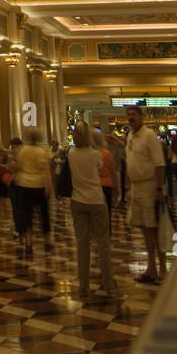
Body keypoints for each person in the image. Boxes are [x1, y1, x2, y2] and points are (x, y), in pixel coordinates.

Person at [67, 122, 118, 301]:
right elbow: (98, 168)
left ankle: (83, 286)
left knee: (82, 245)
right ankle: (109, 284)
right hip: (96, 200)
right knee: (103, 244)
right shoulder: (96, 154)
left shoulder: (71, 154)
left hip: (77, 200)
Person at [125, 105, 166, 284]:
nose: (131, 117)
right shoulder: (130, 136)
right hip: (136, 188)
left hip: (150, 187)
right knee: (144, 228)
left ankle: (163, 269)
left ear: (141, 117)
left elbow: (159, 164)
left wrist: (159, 189)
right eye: (128, 115)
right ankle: (151, 268)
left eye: (134, 114)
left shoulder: (149, 135)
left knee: (155, 228)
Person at [9, 127, 52, 257]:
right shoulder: (41, 151)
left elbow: (17, 166)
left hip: (24, 185)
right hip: (39, 185)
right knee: (44, 215)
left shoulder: (22, 150)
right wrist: (48, 186)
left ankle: (28, 243)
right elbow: (44, 169)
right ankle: (47, 242)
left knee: (28, 215)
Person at [96, 134, 120, 231]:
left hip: (96, 186)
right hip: (107, 185)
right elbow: (113, 171)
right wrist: (116, 188)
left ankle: (99, 231)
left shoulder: (94, 153)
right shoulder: (106, 153)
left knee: (99, 211)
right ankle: (107, 231)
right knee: (107, 210)